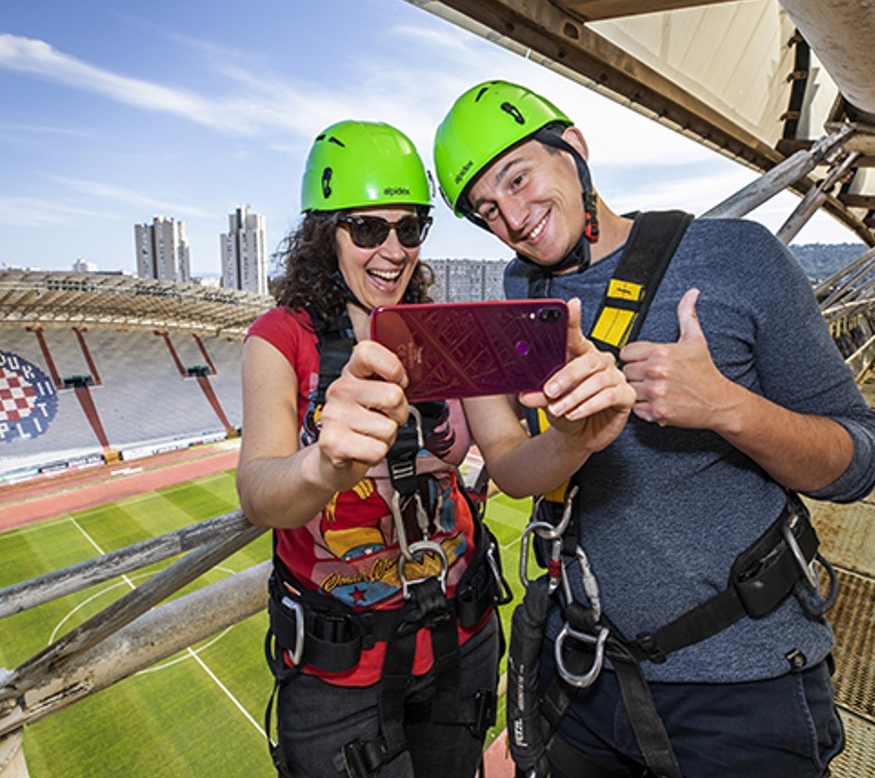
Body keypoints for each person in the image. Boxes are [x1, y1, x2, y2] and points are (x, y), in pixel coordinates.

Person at [432, 80, 875, 778]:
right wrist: (576, 439)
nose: (514, 218)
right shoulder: (513, 300)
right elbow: (517, 471)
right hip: (582, 675)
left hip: (742, 688)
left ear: (574, 151)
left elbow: (859, 462)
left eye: (518, 179)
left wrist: (726, 406)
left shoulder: (736, 258)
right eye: (488, 210)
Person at [236, 119, 635, 778]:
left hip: (459, 639)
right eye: (367, 229)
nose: (392, 250)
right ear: (324, 233)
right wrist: (323, 464)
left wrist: (575, 441)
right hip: (343, 674)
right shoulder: (281, 339)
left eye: (410, 228)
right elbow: (258, 494)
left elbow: (508, 463)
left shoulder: (449, 328)